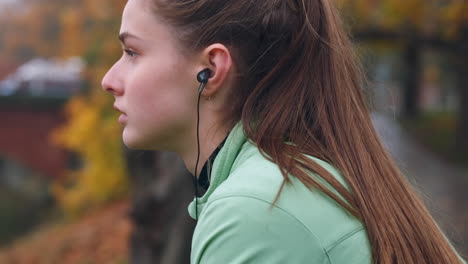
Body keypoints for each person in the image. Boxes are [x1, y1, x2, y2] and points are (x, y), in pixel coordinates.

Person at [101, 0, 467, 263]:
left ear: (210, 70)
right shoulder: (297, 177)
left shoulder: (257, 212)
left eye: (132, 52)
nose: (109, 80)